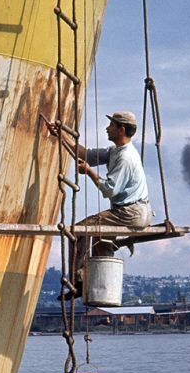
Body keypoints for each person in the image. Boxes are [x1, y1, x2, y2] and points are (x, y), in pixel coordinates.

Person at [57, 111, 151, 299]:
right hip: (132, 210)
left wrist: (89, 172)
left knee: (79, 231)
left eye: (111, 125)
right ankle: (102, 290)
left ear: (121, 129)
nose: (107, 128)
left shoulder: (125, 157)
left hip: (131, 212)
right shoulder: (115, 151)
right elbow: (85, 154)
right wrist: (61, 135)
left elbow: (110, 190)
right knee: (102, 242)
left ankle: (78, 282)